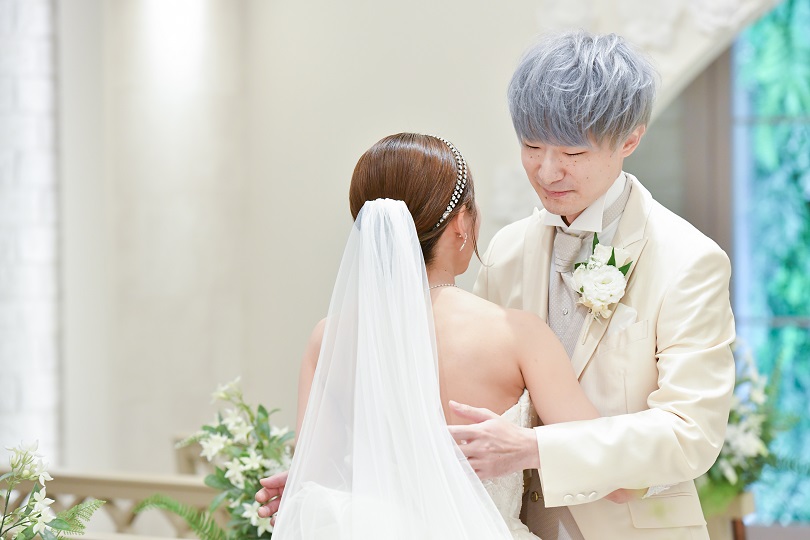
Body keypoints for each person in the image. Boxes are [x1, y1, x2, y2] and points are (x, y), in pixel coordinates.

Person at [446, 31, 736, 540]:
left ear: (630, 140)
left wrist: (536, 449)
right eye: (531, 146)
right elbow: (467, 385)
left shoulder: (689, 260)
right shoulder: (505, 252)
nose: (547, 171)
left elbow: (689, 432)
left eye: (572, 151)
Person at [258, 133, 610, 539]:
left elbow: (319, 483)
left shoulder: (328, 340)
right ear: (461, 223)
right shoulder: (516, 334)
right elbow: (607, 467)